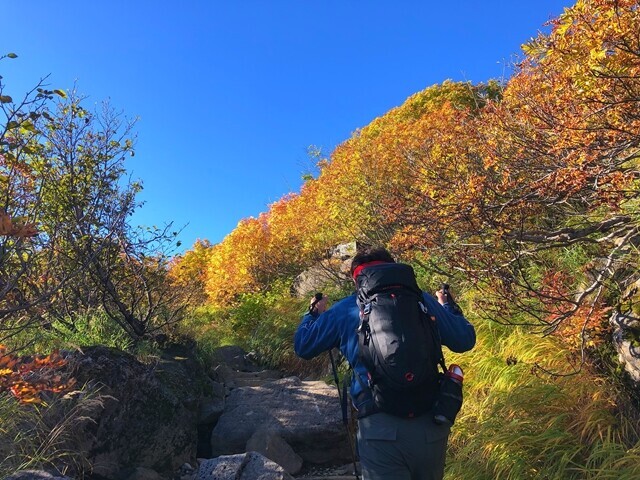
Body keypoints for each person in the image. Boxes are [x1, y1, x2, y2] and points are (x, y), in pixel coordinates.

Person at [294, 247, 476, 480]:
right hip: (432, 424)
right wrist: (447, 307)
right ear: (393, 267)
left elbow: (303, 346)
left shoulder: (345, 309)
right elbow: (465, 339)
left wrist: (312, 313)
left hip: (379, 427)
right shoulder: (424, 301)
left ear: (356, 278)